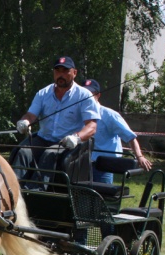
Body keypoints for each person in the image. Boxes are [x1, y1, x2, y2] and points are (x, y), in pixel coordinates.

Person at [10, 56, 100, 184]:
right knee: (23, 152)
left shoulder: (84, 95)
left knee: (49, 154)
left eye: (65, 71)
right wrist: (25, 122)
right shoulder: (43, 93)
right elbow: (31, 115)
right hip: (43, 139)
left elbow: (92, 126)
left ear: (74, 73)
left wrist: (77, 137)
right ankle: (13, 188)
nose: (61, 75)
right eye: (58, 71)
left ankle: (36, 190)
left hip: (67, 143)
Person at [82, 79, 152, 183]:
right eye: (84, 94)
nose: (87, 97)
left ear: (98, 95)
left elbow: (130, 137)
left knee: (102, 192)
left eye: (90, 94)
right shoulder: (78, 114)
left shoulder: (109, 115)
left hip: (103, 166)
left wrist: (139, 156)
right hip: (82, 164)